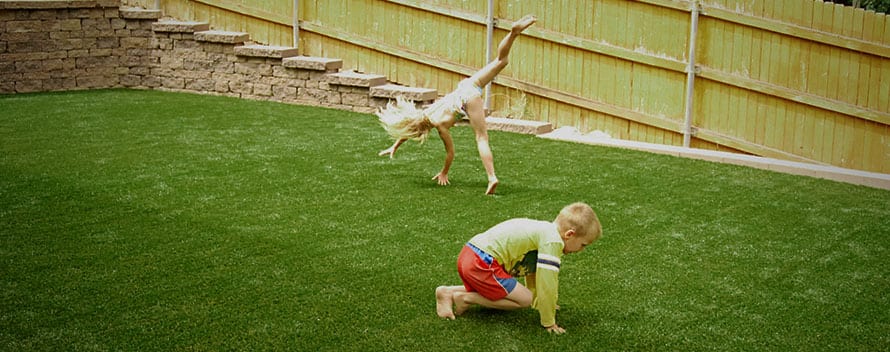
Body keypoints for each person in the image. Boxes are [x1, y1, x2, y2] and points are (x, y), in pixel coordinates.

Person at [376, 15, 538, 195]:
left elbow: (450, 153)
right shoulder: (428, 111)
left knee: (481, 138)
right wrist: (395, 145)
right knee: (501, 61)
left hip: (467, 99)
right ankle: (514, 33)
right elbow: (411, 125)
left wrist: (444, 172)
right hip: (467, 86)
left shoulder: (439, 125)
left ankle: (492, 177)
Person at [434, 202, 602, 334]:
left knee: (522, 295)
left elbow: (533, 270)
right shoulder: (553, 241)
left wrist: (540, 302)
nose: (581, 250)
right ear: (570, 234)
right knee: (524, 300)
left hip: (470, 254)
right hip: (482, 263)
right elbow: (547, 283)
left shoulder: (544, 229)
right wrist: (549, 321)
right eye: (583, 245)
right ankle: (465, 298)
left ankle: (448, 292)